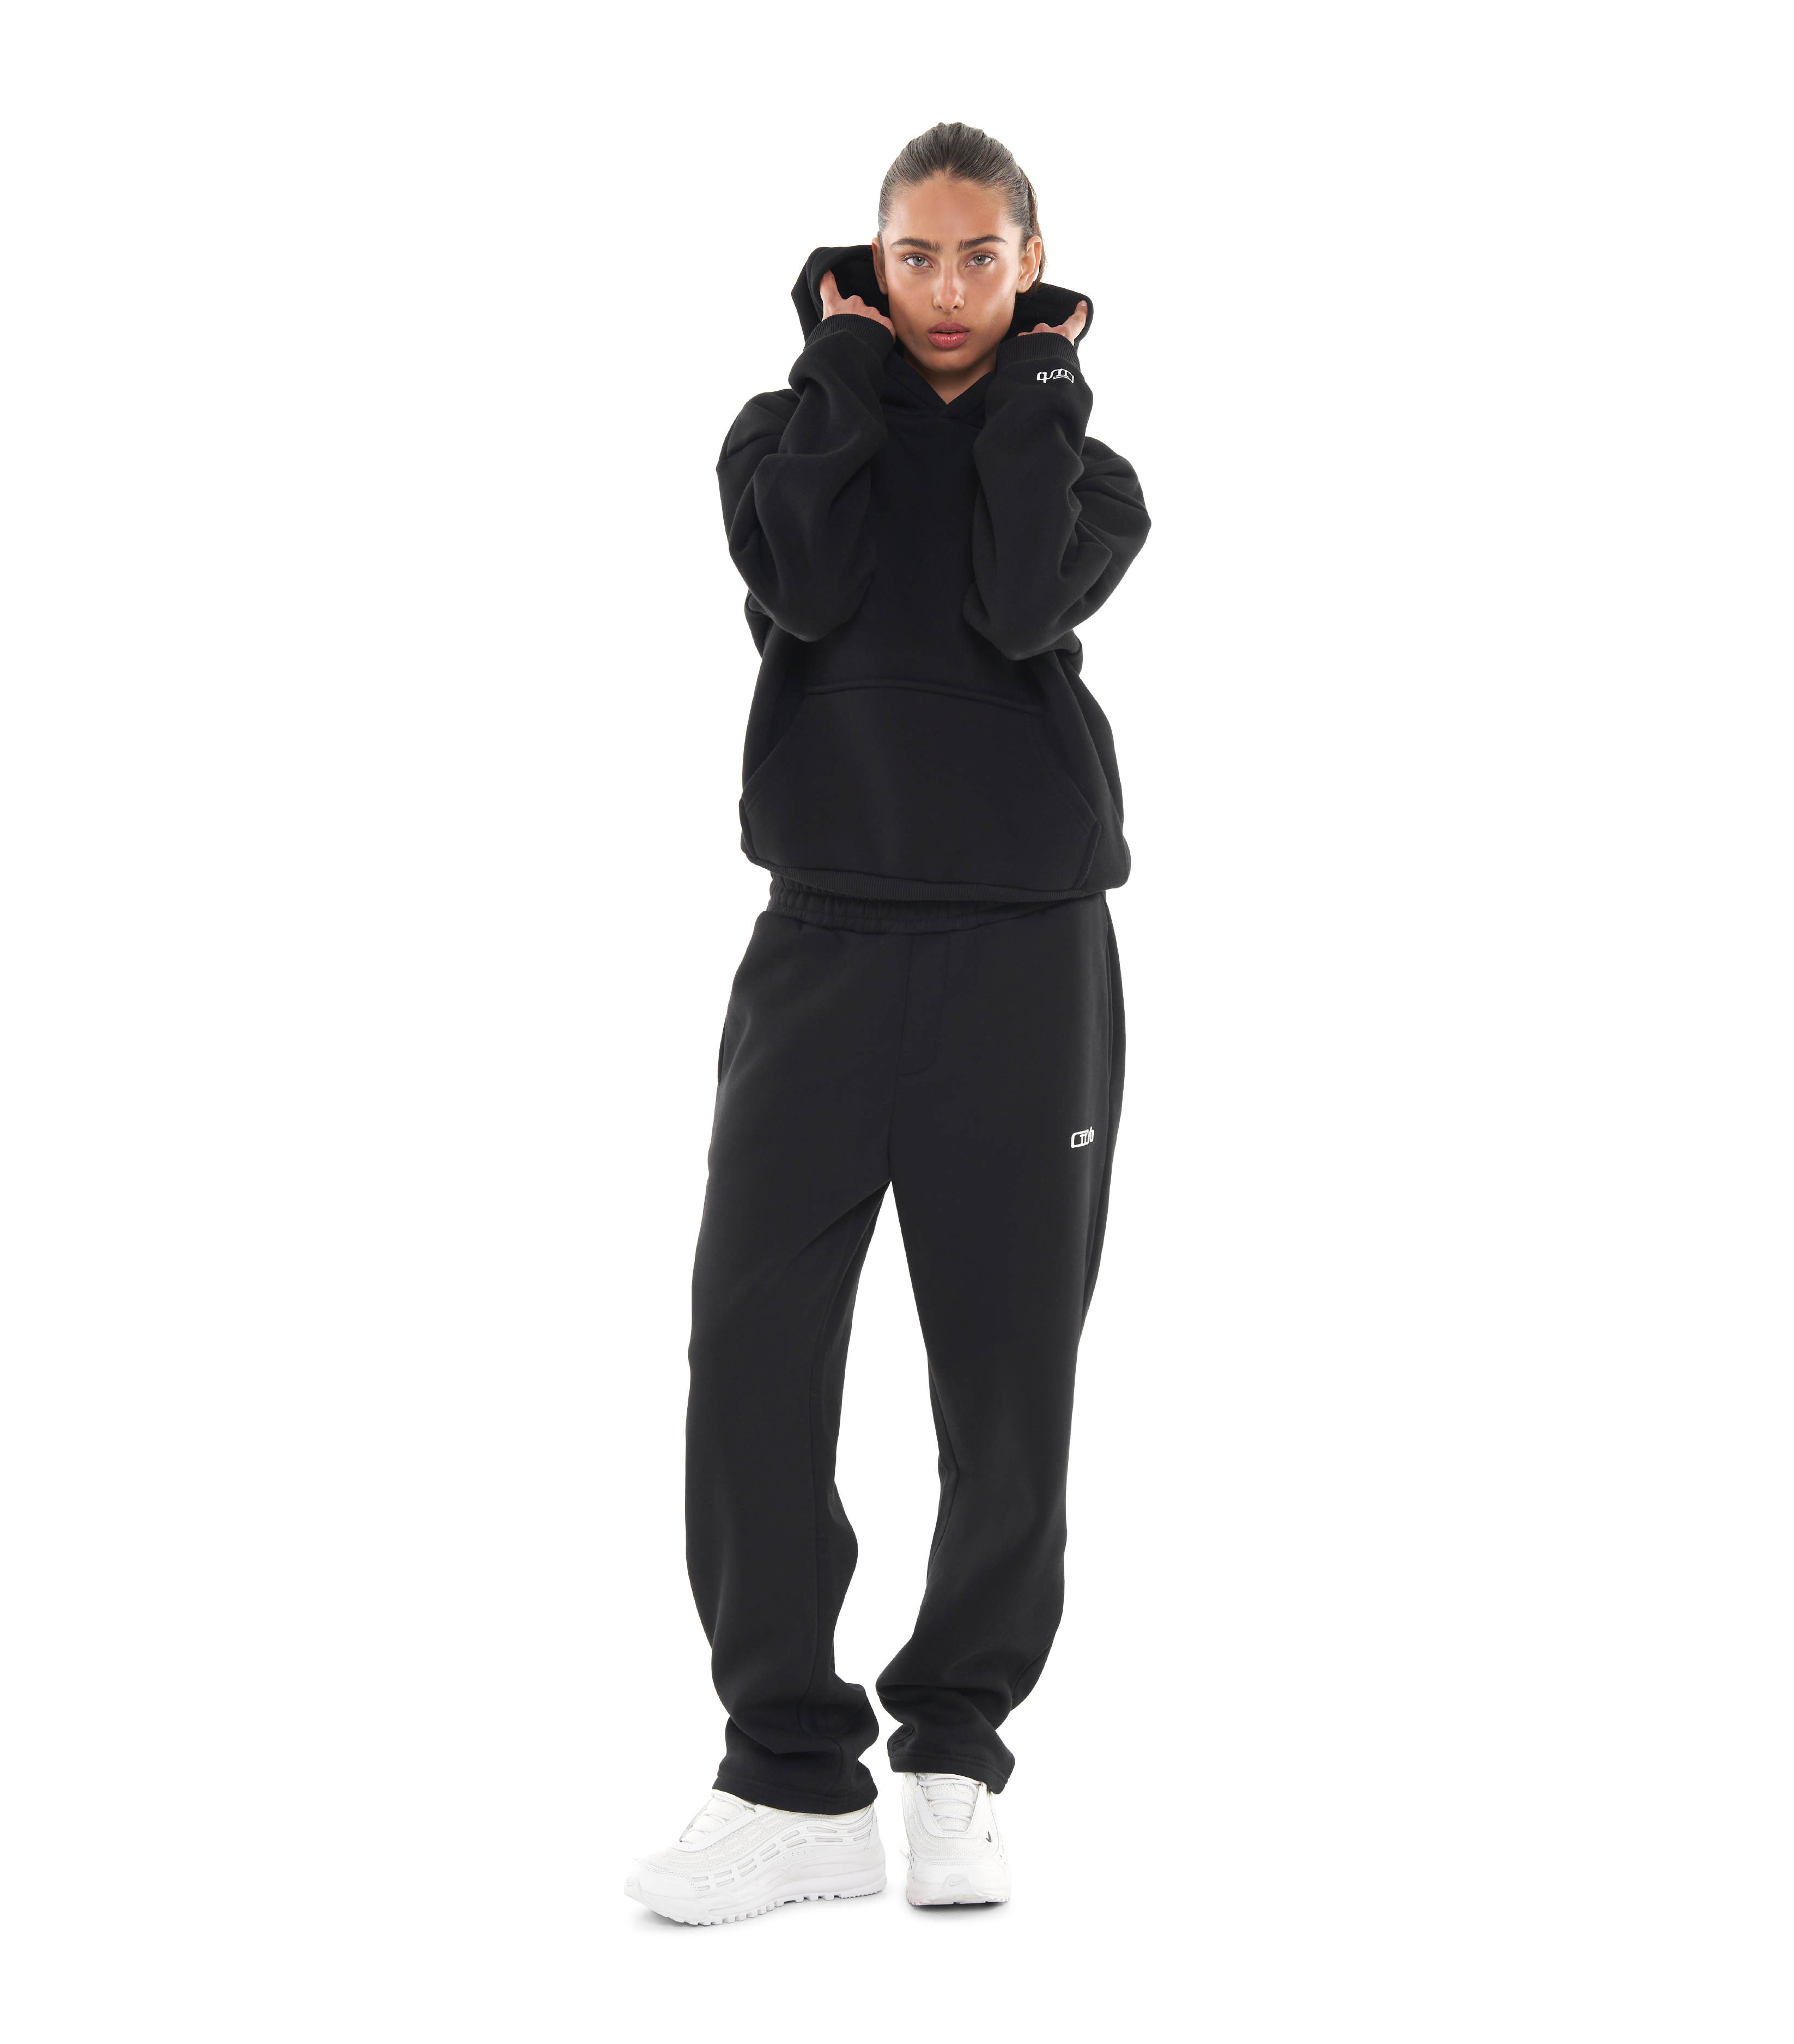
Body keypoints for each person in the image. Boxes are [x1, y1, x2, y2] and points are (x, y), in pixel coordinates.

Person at [625, 122, 1150, 1925]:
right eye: (913, 256)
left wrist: (1038, 392)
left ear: (1029, 266)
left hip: (1025, 957)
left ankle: (951, 1755)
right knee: (748, 1350)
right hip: (824, 944)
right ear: (869, 261)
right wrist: (841, 373)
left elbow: (1016, 597)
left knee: (1006, 1375)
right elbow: (807, 584)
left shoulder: (1086, 469)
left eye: (978, 257)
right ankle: (787, 1776)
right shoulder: (783, 437)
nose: (944, 290)